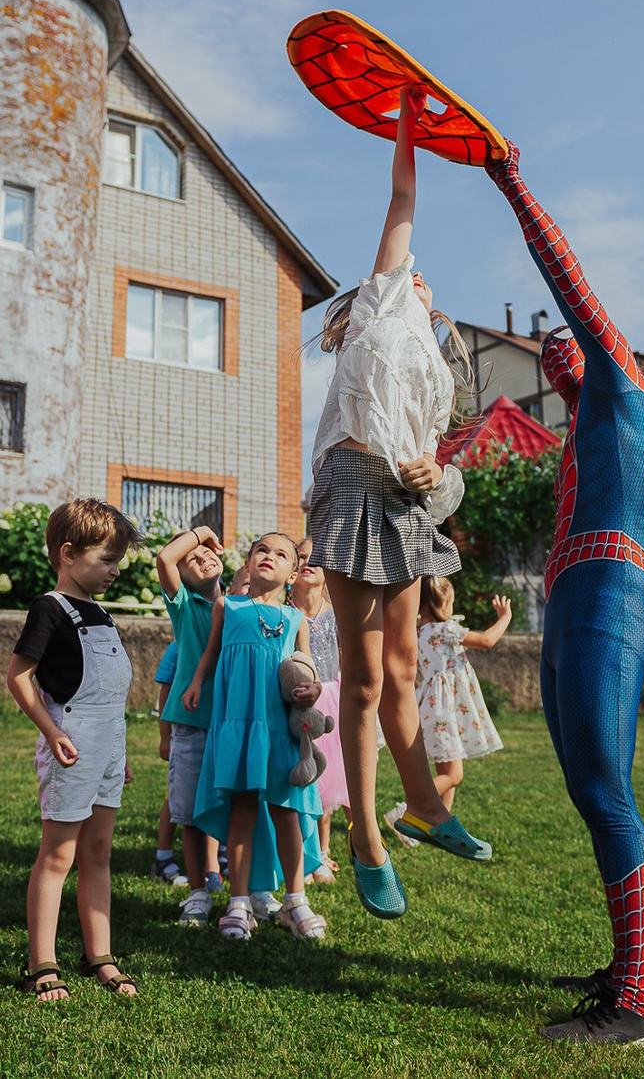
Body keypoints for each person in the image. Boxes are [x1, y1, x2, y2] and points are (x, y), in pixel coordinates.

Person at [487, 141, 644, 1045]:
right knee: (589, 792)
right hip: (575, 605)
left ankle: (639, 1004)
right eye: (550, 349)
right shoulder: (585, 429)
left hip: (607, 601)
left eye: (572, 341)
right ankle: (641, 963)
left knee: (605, 791)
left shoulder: (624, 388)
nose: (558, 348)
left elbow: (565, 278)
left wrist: (511, 183)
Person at [306, 85, 491, 921]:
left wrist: (435, 479)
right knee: (362, 678)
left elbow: (445, 470)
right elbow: (403, 196)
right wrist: (410, 120)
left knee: (405, 667)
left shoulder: (435, 369)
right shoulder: (381, 306)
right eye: (410, 272)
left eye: (422, 280)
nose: (419, 275)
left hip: (408, 505)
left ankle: (424, 807)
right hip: (353, 490)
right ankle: (365, 841)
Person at [4, 498, 142, 1004]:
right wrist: (50, 732)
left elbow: (110, 696)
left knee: (98, 852)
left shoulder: (101, 613)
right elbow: (18, 677)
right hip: (72, 744)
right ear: (68, 554)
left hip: (108, 745)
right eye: (107, 559)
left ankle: (98, 955)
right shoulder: (50, 609)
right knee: (58, 855)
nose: (115, 570)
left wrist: (119, 754)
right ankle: (41, 964)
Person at [181, 533, 327, 940]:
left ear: (292, 573)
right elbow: (211, 653)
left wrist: (313, 689)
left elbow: (308, 668)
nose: (269, 557)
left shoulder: (296, 620)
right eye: (262, 550)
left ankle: (295, 900)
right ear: (247, 563)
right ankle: (239, 903)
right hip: (238, 726)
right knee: (242, 811)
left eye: (281, 554)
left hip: (279, 730)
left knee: (286, 812)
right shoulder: (227, 607)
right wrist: (196, 683)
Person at [385, 578, 509, 838]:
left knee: (447, 769)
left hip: (434, 710)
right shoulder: (444, 630)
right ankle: (406, 811)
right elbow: (486, 640)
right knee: (453, 775)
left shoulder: (417, 633)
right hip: (444, 711)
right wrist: (504, 617)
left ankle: (438, 829)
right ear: (443, 603)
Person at [154, 523, 230, 926]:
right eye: (193, 560)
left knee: (235, 808)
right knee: (191, 814)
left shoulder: (238, 603)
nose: (203, 559)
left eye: (207, 554)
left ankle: (244, 892)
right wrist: (202, 533)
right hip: (192, 722)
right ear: (180, 579)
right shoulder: (183, 606)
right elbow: (164, 557)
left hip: (234, 722)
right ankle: (198, 892)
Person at [291, 537, 344, 883]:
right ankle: (298, 850)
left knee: (326, 777)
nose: (308, 562)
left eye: (316, 558)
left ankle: (322, 851)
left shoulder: (335, 615)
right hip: (295, 701)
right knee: (299, 773)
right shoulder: (285, 611)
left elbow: (345, 659)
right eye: (301, 557)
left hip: (329, 700)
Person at [149, 639, 186, 886]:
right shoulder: (177, 648)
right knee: (173, 796)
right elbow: (165, 694)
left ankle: (219, 853)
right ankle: (163, 855)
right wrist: (165, 736)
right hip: (181, 735)